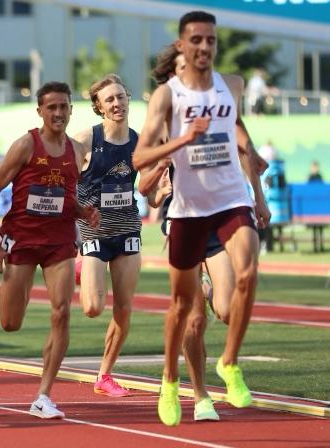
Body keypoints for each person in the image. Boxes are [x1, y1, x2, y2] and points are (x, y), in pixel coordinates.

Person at [132, 11, 271, 427]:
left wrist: (258, 193)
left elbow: (241, 138)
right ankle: (196, 392)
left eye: (210, 42)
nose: (202, 52)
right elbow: (141, 177)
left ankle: (228, 362)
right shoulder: (167, 103)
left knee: (232, 301)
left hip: (229, 202)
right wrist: (168, 165)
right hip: (187, 213)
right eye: (193, 46)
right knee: (189, 315)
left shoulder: (229, 88)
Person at [0, 81, 99, 419]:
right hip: (21, 240)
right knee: (10, 323)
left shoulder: (78, 152)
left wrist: (83, 212)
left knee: (61, 311)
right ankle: (42, 393)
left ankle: (43, 396)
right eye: (52, 107)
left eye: (64, 106)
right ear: (40, 111)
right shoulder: (25, 145)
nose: (59, 112)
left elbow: (67, 198)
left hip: (60, 241)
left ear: (71, 109)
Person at [71, 74, 140, 398]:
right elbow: (62, 182)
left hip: (127, 229)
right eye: (109, 99)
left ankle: (104, 375)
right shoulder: (85, 140)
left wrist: (160, 191)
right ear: (99, 107)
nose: (117, 104)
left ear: (128, 99)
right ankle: (81, 265)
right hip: (93, 230)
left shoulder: (141, 142)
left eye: (121, 97)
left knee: (123, 308)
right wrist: (77, 213)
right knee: (92, 309)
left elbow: (150, 194)